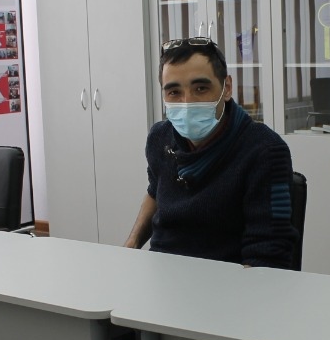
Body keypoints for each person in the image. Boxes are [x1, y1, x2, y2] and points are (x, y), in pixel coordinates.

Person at [123, 37, 297, 269]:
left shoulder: (264, 150)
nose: (187, 103)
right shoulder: (159, 137)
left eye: (201, 89)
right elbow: (154, 192)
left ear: (227, 88)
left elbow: (267, 257)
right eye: (174, 92)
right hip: (163, 272)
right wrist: (131, 245)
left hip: (226, 280)